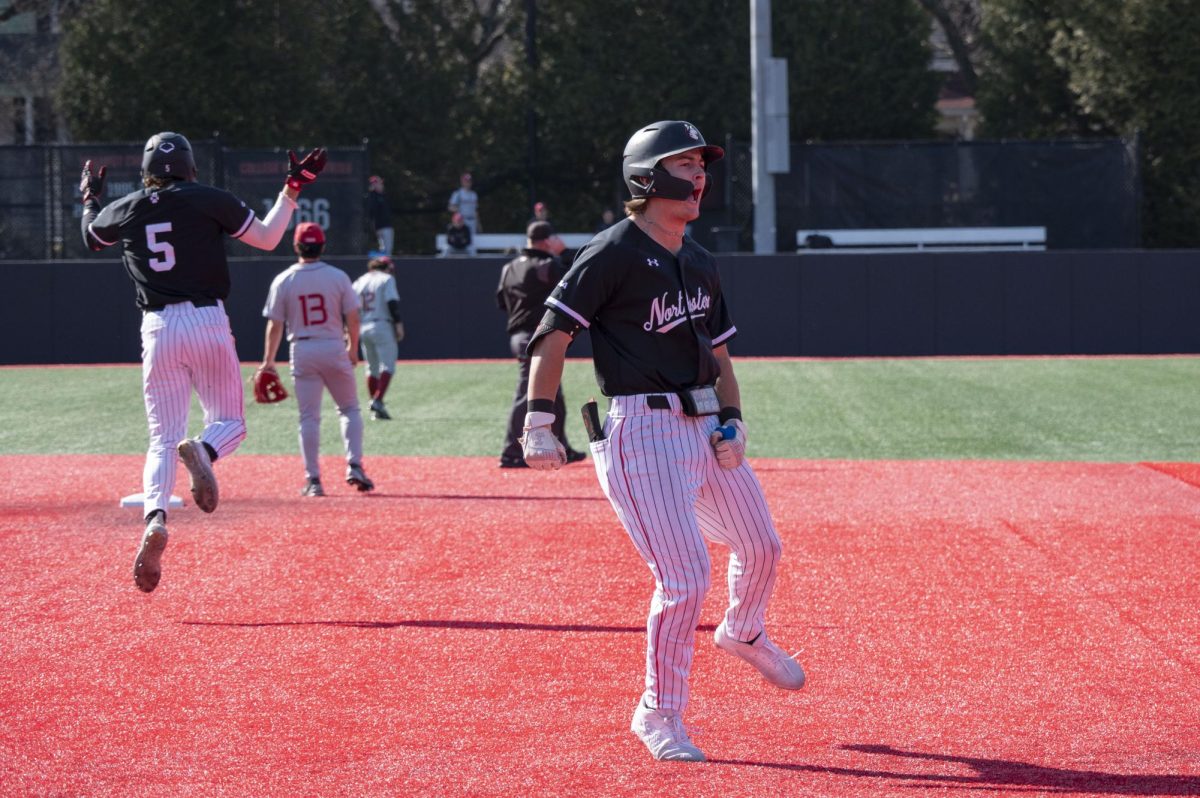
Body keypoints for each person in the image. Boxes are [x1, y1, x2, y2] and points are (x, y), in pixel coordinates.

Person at [521, 121, 805, 763]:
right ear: (646, 178)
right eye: (685, 163)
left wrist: (733, 420)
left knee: (761, 544)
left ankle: (743, 631)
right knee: (684, 578)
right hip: (641, 433)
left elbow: (722, 354)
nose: (701, 175)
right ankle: (658, 714)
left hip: (706, 426)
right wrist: (540, 421)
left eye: (703, 164)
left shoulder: (700, 259)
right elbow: (552, 337)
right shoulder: (612, 250)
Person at [80, 132, 326, 593]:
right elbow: (272, 238)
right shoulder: (209, 198)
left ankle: (156, 518)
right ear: (190, 167)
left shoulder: (131, 205)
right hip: (206, 319)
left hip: (156, 329)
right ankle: (206, 453)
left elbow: (91, 237)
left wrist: (91, 199)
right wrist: (292, 188)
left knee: (161, 438)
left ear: (148, 170)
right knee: (230, 421)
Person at [260, 222, 375, 498]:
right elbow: (353, 317)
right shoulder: (337, 277)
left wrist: (268, 361)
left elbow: (275, 325)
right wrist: (352, 348)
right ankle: (355, 465)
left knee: (308, 417)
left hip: (302, 348)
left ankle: (313, 480)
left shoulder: (284, 279)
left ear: (296, 245)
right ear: (322, 246)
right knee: (349, 409)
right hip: (333, 345)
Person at [495, 221, 586, 469]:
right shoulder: (547, 265)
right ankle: (512, 451)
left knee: (552, 391)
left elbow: (502, 303)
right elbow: (577, 276)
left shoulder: (509, 267)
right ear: (547, 241)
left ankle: (562, 446)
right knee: (529, 393)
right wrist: (563, 253)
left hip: (518, 334)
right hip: (535, 335)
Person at [352, 254, 405, 419]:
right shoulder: (386, 279)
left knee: (371, 368)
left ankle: (375, 406)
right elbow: (392, 303)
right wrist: (398, 324)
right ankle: (377, 401)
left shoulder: (360, 281)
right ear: (387, 268)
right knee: (388, 366)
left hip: (363, 325)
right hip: (382, 324)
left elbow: (350, 308)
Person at [447, 172, 480, 254]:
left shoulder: (474, 195)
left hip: (472, 221)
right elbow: (450, 207)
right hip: (462, 221)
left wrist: (478, 224)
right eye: (466, 181)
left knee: (472, 243)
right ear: (462, 182)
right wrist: (458, 210)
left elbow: (475, 210)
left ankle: (472, 262)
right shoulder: (458, 194)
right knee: (461, 243)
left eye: (469, 181)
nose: (468, 183)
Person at [365, 175, 394, 255]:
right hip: (379, 227)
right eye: (378, 183)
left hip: (387, 226)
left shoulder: (384, 195)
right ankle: (382, 265)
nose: (381, 185)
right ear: (373, 185)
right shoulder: (372, 196)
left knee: (387, 250)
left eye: (380, 183)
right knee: (384, 250)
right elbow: (371, 213)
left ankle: (385, 264)